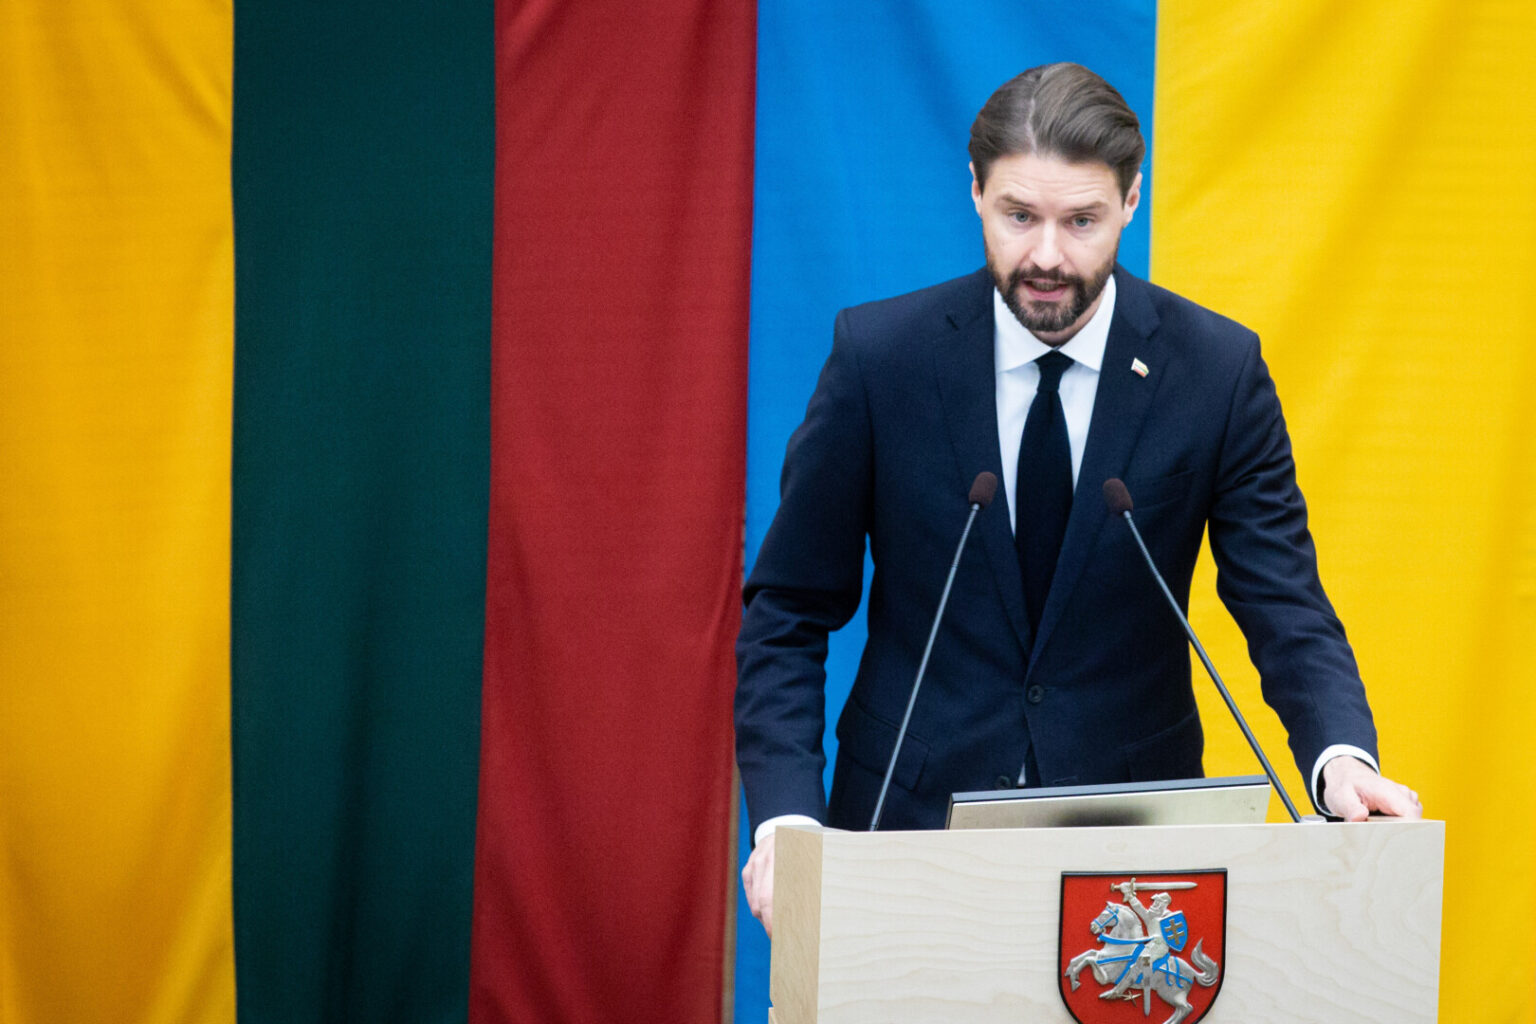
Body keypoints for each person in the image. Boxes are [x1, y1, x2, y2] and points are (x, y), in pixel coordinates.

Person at [735, 62, 1420, 937]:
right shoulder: (881, 359)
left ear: (1132, 200)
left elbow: (1283, 602)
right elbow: (789, 610)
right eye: (1019, 216)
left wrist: (1339, 758)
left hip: (1134, 863)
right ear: (974, 191)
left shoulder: (1216, 373)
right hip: (906, 831)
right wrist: (788, 819)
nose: (1048, 258)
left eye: (1082, 221)